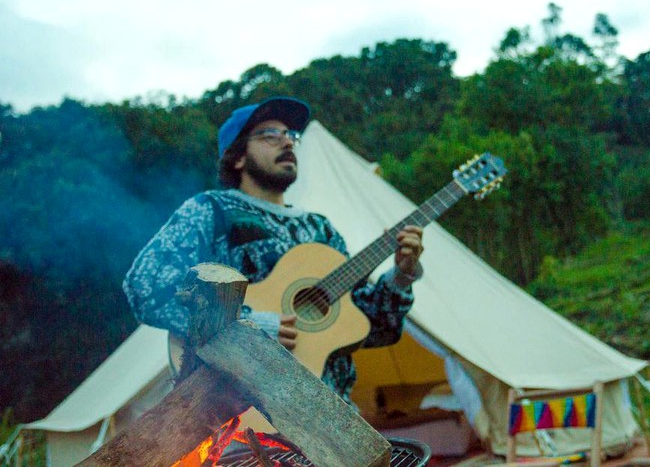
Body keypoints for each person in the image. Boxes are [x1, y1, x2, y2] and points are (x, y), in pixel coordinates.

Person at [123, 96, 424, 405]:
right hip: (242, 419)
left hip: (334, 420)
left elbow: (372, 329)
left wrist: (400, 277)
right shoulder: (212, 211)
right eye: (270, 135)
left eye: (291, 136)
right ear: (237, 157)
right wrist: (249, 329)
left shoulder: (321, 229)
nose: (288, 143)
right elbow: (148, 288)